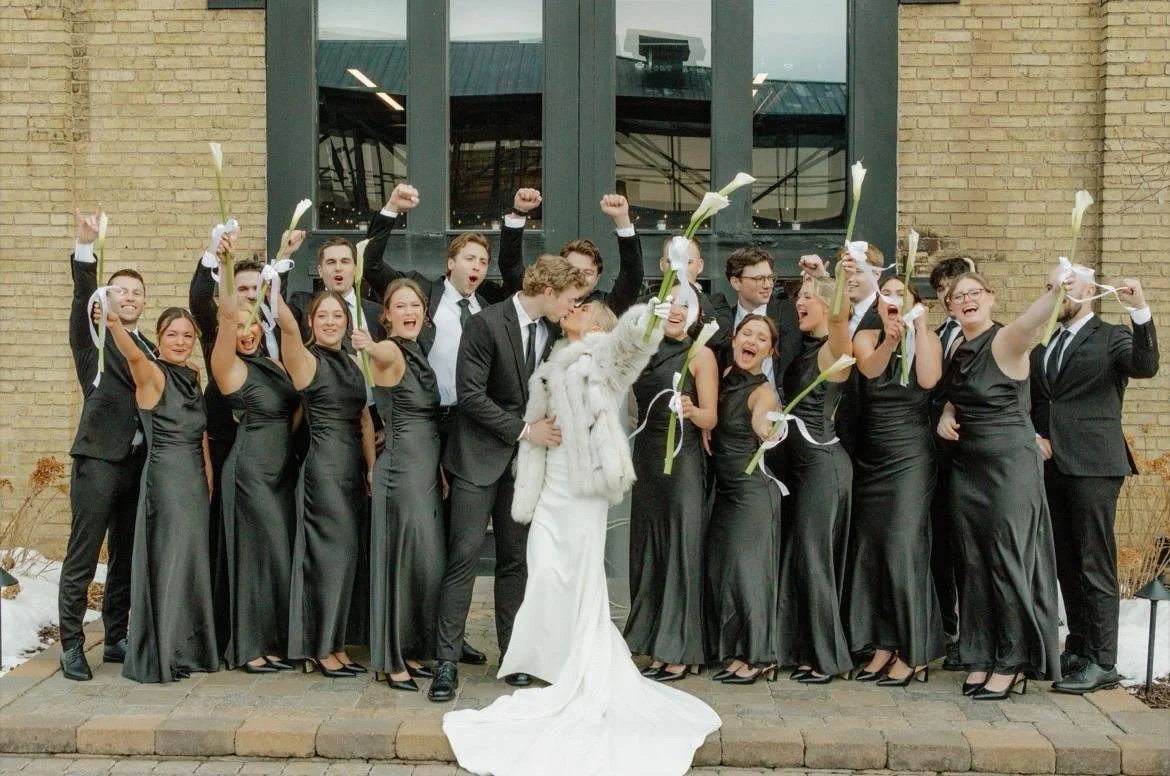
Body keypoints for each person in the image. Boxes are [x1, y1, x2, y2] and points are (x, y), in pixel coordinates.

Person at [443, 298, 721, 776]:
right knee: (545, 569)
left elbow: (635, 344)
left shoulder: (603, 356)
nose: (570, 307)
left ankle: (575, 663)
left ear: (596, 323)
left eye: (581, 306)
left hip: (584, 483)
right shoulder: (551, 356)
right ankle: (544, 658)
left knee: (577, 571)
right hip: (549, 478)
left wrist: (649, 315)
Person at [362, 184, 525, 668]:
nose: (477, 267)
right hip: (433, 421)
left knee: (459, 537)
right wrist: (391, 211)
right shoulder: (423, 296)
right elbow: (371, 267)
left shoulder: (491, 305)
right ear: (451, 262)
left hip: (477, 429)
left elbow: (518, 274)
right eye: (469, 258)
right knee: (446, 542)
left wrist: (514, 218)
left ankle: (449, 637)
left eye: (483, 260)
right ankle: (438, 639)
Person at [429, 256, 589, 702]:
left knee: (515, 561)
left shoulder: (552, 329)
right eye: (570, 299)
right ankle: (445, 662)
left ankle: (513, 657)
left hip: (524, 468)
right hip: (477, 460)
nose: (573, 307)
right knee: (462, 558)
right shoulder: (485, 324)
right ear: (550, 291)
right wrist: (524, 430)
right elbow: (470, 396)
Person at [1030, 268, 1158, 694]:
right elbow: (1037, 399)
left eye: (1063, 286)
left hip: (1094, 466)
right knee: (1067, 563)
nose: (1055, 294)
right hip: (1051, 466)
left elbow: (1145, 366)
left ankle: (1104, 661)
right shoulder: (1044, 342)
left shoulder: (1112, 336)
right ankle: (1079, 648)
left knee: (1094, 564)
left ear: (1090, 290)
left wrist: (1139, 310)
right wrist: (1034, 435)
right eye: (1049, 288)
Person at [937, 272, 1061, 699]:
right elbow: (959, 390)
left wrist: (1053, 291)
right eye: (958, 296)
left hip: (1009, 465)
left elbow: (1031, 323)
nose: (967, 300)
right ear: (950, 306)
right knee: (972, 563)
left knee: (1007, 561)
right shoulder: (956, 344)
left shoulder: (1006, 339)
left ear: (990, 298)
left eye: (975, 293)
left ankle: (1014, 660)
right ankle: (981, 653)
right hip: (967, 465)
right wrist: (946, 412)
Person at [58, 206, 157, 681]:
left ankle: (115, 635)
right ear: (107, 297)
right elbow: (82, 299)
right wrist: (86, 249)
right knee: (84, 554)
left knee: (125, 556)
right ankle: (72, 645)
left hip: (139, 465)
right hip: (98, 461)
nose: (130, 297)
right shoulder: (92, 342)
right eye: (121, 290)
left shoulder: (151, 348)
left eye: (137, 293)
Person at [107, 305, 218, 683]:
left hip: (193, 481)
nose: (181, 342)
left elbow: (201, 434)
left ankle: (184, 648)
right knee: (168, 563)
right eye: (173, 334)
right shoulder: (152, 374)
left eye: (188, 335)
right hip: (167, 480)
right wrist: (115, 326)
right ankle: (161, 652)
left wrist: (208, 477)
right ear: (160, 336)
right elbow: (133, 355)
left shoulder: (192, 375)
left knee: (190, 564)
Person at [843, 276, 945, 685]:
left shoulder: (929, 337)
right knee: (874, 550)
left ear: (915, 302)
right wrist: (889, 339)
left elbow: (928, 380)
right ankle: (883, 643)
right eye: (887, 293)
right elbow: (870, 370)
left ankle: (915, 650)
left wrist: (918, 329)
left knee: (904, 548)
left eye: (902, 293)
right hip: (873, 457)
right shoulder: (866, 336)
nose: (893, 298)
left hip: (911, 456)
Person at [353, 279, 446, 693]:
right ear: (385, 315)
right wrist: (368, 345)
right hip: (401, 474)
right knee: (398, 564)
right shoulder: (391, 350)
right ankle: (390, 661)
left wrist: (439, 468)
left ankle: (407, 650)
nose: (410, 312)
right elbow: (380, 353)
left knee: (421, 567)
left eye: (416, 306)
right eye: (400, 306)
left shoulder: (418, 350)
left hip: (425, 470)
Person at [276, 292, 376, 677]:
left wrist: (370, 468)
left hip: (353, 469)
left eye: (338, 315)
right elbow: (285, 323)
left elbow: (365, 419)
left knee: (347, 559)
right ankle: (319, 647)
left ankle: (335, 642)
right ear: (311, 322)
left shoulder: (354, 362)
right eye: (323, 316)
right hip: (325, 470)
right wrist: (274, 281)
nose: (331, 322)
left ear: (347, 322)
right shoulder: (305, 360)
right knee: (327, 560)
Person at [625, 283, 718, 681]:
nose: (677, 310)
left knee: (680, 548)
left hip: (682, 461)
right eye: (671, 303)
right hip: (647, 457)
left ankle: (680, 649)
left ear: (695, 312)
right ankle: (652, 643)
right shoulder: (642, 352)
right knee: (650, 548)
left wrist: (691, 409)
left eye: (686, 304)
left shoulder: (702, 355)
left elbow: (711, 419)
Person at [210, 273, 301, 674]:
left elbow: (294, 409)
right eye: (239, 326)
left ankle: (272, 641)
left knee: (276, 557)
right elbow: (226, 340)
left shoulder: (274, 363)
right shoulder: (228, 366)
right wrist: (229, 319)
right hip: (249, 473)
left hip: (279, 471)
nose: (247, 333)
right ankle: (247, 649)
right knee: (251, 559)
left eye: (252, 324)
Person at [776, 276, 855, 683]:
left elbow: (841, 321)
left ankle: (827, 658)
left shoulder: (834, 350)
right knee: (801, 556)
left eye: (808, 297)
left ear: (828, 304)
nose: (799, 303)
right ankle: (800, 648)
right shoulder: (804, 348)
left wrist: (838, 274)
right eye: (798, 298)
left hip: (824, 467)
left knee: (814, 558)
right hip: (801, 469)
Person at [705, 314, 785, 685]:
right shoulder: (720, 377)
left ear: (769, 351)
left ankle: (760, 655)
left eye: (761, 339)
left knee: (750, 575)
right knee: (728, 574)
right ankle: (737, 650)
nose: (751, 341)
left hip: (753, 494)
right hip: (725, 492)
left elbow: (764, 421)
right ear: (735, 339)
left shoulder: (762, 391)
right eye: (747, 333)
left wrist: (770, 430)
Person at [927, 255, 978, 671]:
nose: (949, 295)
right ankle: (947, 628)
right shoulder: (936, 334)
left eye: (957, 287)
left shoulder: (988, 335)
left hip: (972, 451)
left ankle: (970, 634)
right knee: (941, 544)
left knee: (968, 547)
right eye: (943, 290)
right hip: (933, 453)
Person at [501, 189, 645, 315]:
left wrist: (622, 220)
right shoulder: (543, 300)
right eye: (573, 270)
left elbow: (632, 274)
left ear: (597, 278)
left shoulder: (607, 307)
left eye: (588, 273)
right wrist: (519, 212)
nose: (579, 278)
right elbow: (511, 267)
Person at [712, 248, 800, 387]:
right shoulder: (725, 322)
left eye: (770, 278)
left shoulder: (791, 312)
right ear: (736, 282)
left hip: (780, 405)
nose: (768, 285)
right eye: (759, 279)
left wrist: (819, 276)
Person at [288, 238, 384, 343]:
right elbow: (279, 317)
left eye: (345, 262)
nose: (338, 268)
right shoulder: (302, 304)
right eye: (331, 262)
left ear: (356, 269)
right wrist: (285, 255)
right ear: (320, 271)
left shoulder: (377, 312)